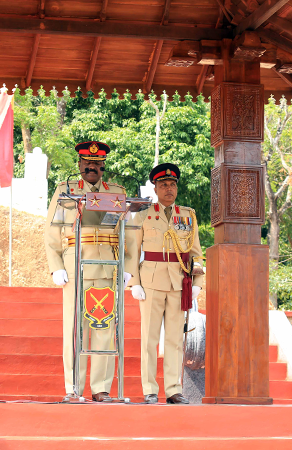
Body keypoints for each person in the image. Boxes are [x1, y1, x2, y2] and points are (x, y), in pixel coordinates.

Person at [44, 141, 132, 402]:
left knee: (104, 326)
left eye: (96, 163)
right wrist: (56, 266)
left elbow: (130, 233)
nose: (91, 167)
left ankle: (101, 388)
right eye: (87, 163)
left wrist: (128, 267)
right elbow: (51, 230)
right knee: (75, 328)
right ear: (79, 164)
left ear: (103, 166)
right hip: (76, 265)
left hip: (108, 266)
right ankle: (73, 387)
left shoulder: (117, 192)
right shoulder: (66, 191)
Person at [126, 163, 204, 404]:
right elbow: (132, 251)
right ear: (155, 189)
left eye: (172, 185)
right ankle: (150, 389)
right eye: (163, 185)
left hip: (179, 283)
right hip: (150, 282)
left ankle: (173, 390)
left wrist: (198, 282)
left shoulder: (187, 215)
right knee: (149, 339)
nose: (169, 189)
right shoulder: (143, 215)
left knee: (175, 339)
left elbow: (196, 253)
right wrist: (134, 282)